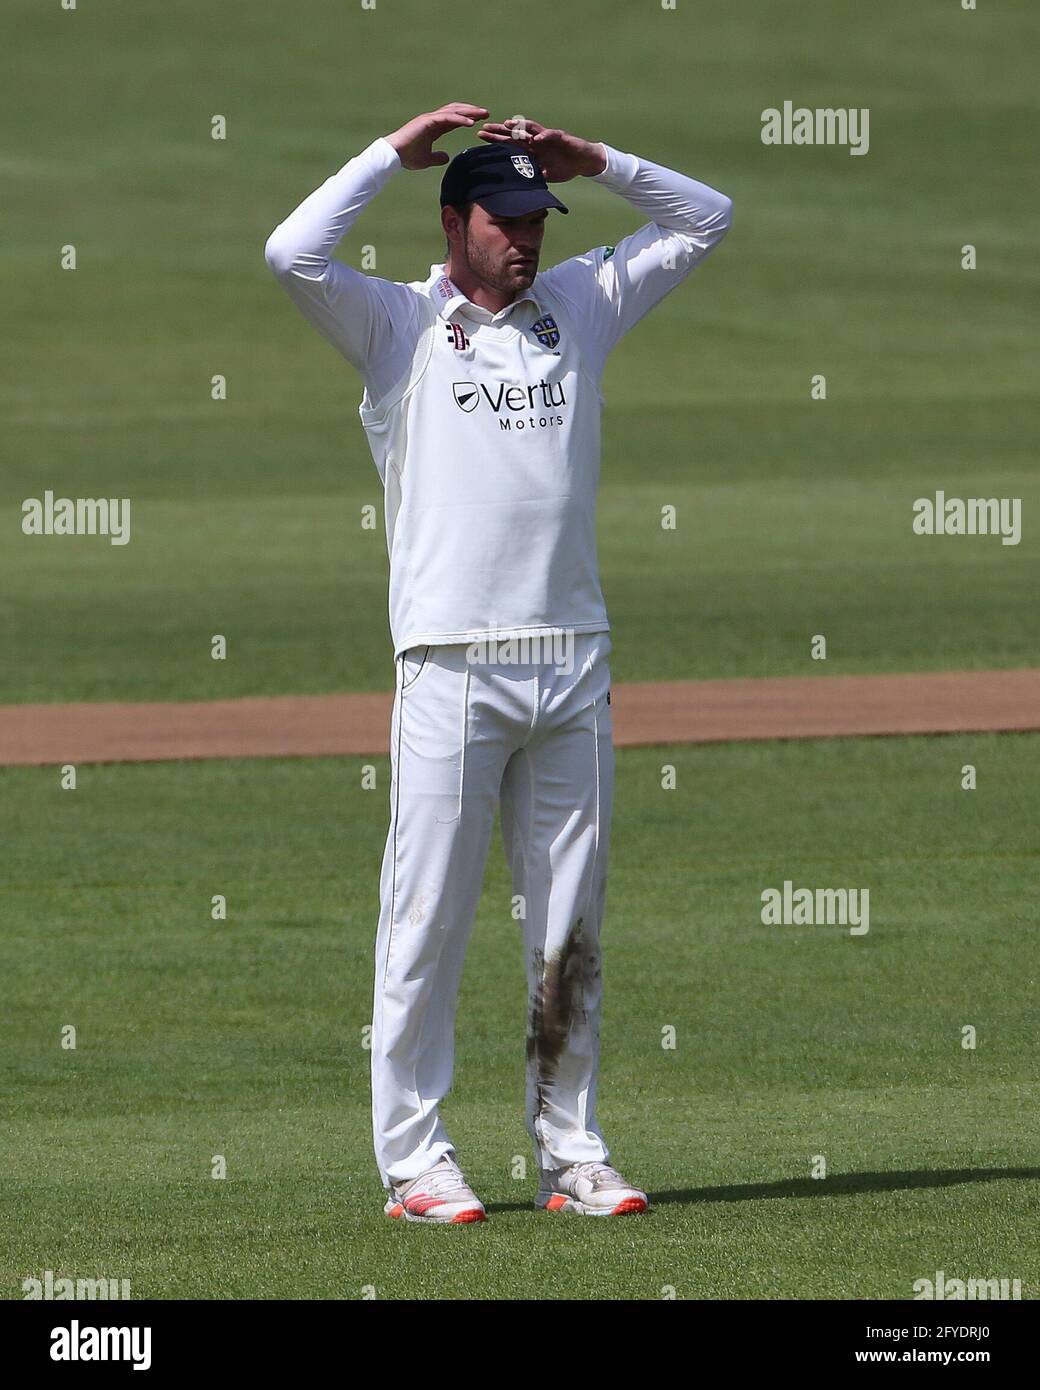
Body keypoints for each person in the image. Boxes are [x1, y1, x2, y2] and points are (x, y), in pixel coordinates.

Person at [265, 103, 733, 1222]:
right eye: (505, 215)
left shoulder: (580, 302)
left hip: (572, 656)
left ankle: (569, 1154)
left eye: (537, 214)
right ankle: (414, 1164)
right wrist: (388, 147)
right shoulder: (396, 326)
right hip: (450, 661)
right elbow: (291, 251)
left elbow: (707, 219)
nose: (526, 236)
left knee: (566, 930)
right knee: (424, 919)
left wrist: (597, 160)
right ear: (452, 220)